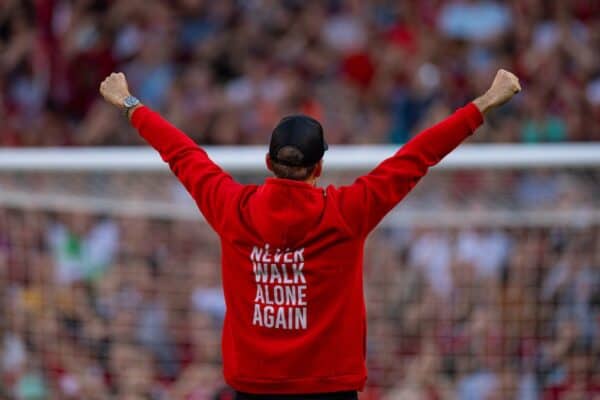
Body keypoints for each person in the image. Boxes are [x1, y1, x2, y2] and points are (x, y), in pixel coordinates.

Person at [99, 69, 521, 399]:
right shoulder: (347, 211)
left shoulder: (233, 208)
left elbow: (182, 154)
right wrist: (483, 103)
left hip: (252, 387)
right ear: (319, 167)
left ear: (267, 160)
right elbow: (416, 157)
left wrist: (130, 103)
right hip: (329, 388)